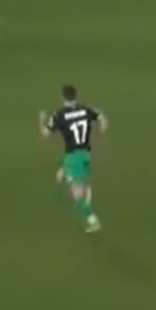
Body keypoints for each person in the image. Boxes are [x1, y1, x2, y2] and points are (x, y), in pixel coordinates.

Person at [42, 87, 105, 234]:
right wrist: (102, 129)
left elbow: (46, 133)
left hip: (73, 157)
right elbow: (101, 117)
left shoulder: (60, 114)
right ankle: (68, 173)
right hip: (85, 154)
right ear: (76, 96)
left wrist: (41, 120)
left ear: (63, 97)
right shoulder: (85, 109)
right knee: (68, 177)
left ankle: (93, 220)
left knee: (77, 200)